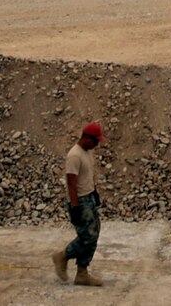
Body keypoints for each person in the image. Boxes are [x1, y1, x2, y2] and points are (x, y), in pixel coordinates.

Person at [51, 122, 106, 286]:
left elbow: (87, 176)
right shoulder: (74, 155)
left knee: (94, 234)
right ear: (87, 138)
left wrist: (94, 192)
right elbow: (72, 183)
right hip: (80, 201)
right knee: (87, 236)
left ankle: (82, 273)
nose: (97, 144)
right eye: (96, 141)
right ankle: (63, 256)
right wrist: (75, 207)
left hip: (88, 198)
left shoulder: (87, 152)